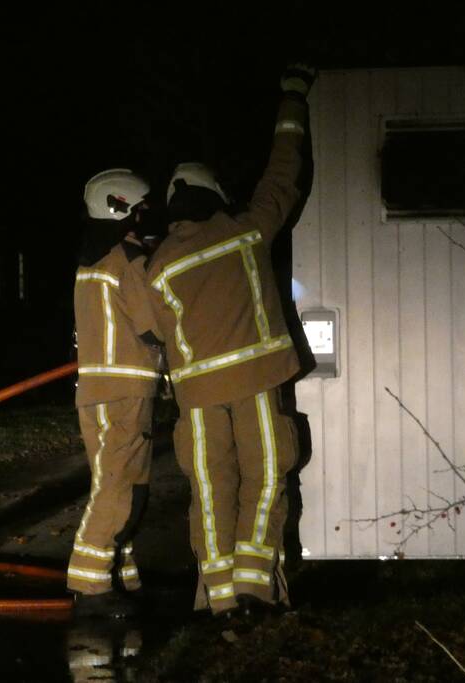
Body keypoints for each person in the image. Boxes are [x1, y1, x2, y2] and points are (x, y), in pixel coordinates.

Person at [144, 65, 316, 618]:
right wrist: (292, 98)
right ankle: (255, 588)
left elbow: (157, 333)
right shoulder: (247, 231)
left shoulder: (158, 267)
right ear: (215, 195)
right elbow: (283, 174)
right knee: (265, 477)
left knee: (210, 492)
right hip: (257, 382)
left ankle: (217, 603)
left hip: (195, 399)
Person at [67, 169, 163, 617]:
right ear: (121, 209)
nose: (148, 216)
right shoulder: (127, 262)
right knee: (119, 488)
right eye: (141, 209)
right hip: (126, 390)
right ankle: (90, 587)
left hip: (96, 390)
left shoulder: (91, 262)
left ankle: (120, 575)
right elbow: (154, 326)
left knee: (117, 483)